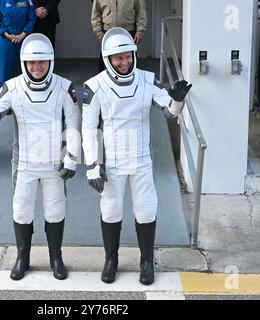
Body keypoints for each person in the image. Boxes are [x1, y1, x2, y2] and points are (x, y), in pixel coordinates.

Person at [81, 27, 192, 285]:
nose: (125, 62)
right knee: (110, 210)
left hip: (141, 159)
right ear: (108, 58)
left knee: (146, 210)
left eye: (129, 55)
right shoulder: (94, 86)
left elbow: (168, 110)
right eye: (119, 57)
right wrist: (92, 165)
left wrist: (177, 100)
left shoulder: (147, 79)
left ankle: (146, 261)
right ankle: (111, 260)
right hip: (112, 161)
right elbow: (87, 128)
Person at [0, 33, 81, 281]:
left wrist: (71, 158)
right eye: (32, 63)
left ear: (50, 61)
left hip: (54, 163)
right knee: (21, 211)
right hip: (24, 163)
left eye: (42, 62)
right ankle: (22, 257)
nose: (37, 67)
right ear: (24, 63)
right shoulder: (12, 87)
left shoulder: (64, 87)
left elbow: (75, 125)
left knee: (55, 211)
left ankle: (55, 257)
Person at [91, 0, 147, 71]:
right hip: (108, 32)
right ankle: (104, 80)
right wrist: (99, 32)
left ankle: (133, 79)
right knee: (106, 58)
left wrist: (140, 31)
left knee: (129, 58)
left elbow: (141, 13)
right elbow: (96, 15)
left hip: (128, 31)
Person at [0, 0, 37, 86]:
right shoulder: (0, 1)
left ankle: (27, 94)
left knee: (27, 69)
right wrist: (7, 34)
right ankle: (5, 95)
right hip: (6, 41)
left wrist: (22, 35)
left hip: (24, 39)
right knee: (5, 70)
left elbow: (31, 18)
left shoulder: (27, 1)